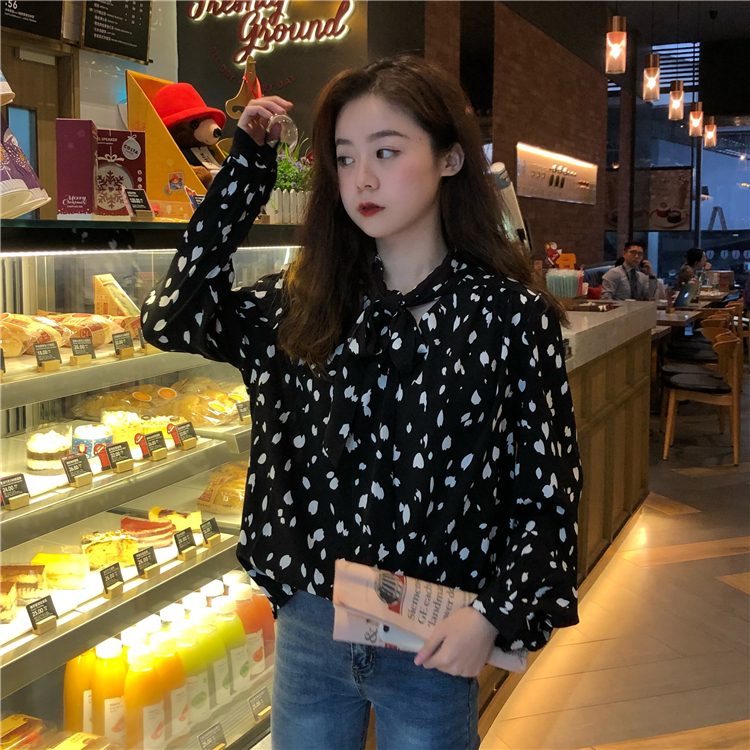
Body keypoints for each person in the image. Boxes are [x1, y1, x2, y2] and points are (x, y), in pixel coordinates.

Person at [142, 55, 582, 750]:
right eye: (345, 158)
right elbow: (173, 319)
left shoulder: (509, 318)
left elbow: (548, 492)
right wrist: (246, 170)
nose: (363, 179)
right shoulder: (305, 301)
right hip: (312, 627)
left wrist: (494, 615)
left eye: (387, 151)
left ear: (449, 159)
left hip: (434, 634)